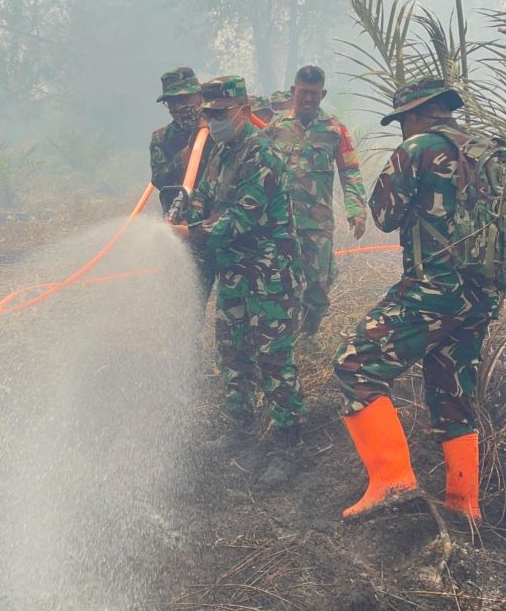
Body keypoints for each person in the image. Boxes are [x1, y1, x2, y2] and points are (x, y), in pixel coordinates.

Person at [332, 77, 501, 521]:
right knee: (452, 390)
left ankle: (393, 485)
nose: (402, 130)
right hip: (481, 294)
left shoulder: (418, 148)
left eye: (402, 121)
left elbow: (384, 216)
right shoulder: (489, 151)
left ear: (415, 114)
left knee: (355, 364)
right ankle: (464, 506)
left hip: (433, 291)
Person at [172, 76, 304, 443]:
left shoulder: (263, 153)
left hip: (269, 273)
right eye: (209, 114)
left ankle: (287, 439)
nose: (213, 121)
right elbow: (206, 196)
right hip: (233, 270)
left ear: (243, 111)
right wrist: (186, 214)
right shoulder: (222, 151)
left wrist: (189, 232)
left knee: (273, 356)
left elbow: (242, 217)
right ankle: (240, 430)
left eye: (220, 113)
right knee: (232, 353)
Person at [262, 65, 367, 336]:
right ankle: (285, 336)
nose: (308, 99)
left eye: (315, 94)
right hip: (281, 221)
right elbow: (258, 169)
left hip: (317, 223)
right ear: (293, 91)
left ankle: (309, 331)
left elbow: (350, 171)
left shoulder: (335, 130)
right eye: (303, 93)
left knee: (318, 285)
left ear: (323, 94)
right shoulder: (276, 128)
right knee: (282, 281)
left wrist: (356, 209)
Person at [150, 67, 216, 301]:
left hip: (222, 226)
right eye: (172, 101)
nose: (180, 107)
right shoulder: (161, 138)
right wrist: (191, 147)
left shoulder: (221, 127)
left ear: (200, 96)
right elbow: (160, 179)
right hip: (185, 232)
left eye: (185, 99)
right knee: (189, 300)